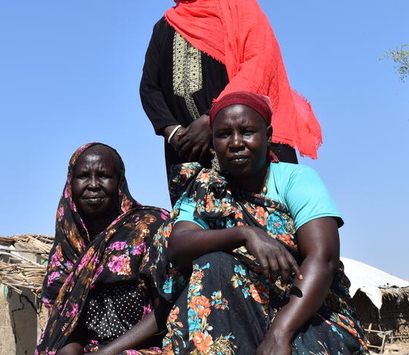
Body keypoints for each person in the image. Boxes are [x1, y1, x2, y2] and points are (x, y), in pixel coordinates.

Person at [151, 91, 367, 355]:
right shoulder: (204, 188)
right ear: (212, 142)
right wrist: (244, 234)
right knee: (215, 264)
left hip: (305, 312)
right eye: (224, 134)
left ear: (269, 135)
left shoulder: (296, 179)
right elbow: (179, 245)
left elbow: (324, 258)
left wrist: (280, 333)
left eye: (247, 131)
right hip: (234, 314)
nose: (236, 143)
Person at [140, 0, 322, 204]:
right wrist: (174, 133)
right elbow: (150, 88)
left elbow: (258, 64)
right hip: (188, 152)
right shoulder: (164, 28)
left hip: (242, 142)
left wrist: (213, 119)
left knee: (268, 225)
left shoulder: (240, 6)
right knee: (198, 231)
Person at [37, 143, 169, 355]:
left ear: (119, 182)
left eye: (103, 175)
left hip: (147, 348)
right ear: (70, 183)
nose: (93, 185)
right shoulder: (67, 248)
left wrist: (106, 353)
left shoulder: (149, 227)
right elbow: (69, 328)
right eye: (83, 176)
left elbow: (164, 310)